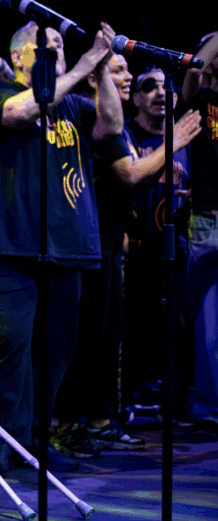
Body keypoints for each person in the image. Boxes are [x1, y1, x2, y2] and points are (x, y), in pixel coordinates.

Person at [0, 21, 122, 474]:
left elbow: (111, 125)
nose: (57, 51)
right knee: (9, 350)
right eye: (46, 46)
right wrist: (88, 62)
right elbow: (21, 112)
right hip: (6, 251)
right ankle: (3, 441)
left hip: (65, 250)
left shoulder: (74, 104)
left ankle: (34, 439)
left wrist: (103, 70)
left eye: (60, 46)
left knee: (55, 353)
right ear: (18, 57)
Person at [54, 55, 201, 457]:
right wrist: (175, 142)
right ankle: (70, 422)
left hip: (109, 241)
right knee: (85, 336)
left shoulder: (109, 124)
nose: (127, 78)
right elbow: (129, 174)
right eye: (118, 72)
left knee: (106, 336)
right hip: (88, 241)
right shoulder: (100, 123)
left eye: (125, 72)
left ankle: (100, 419)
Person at [122, 68, 197, 425]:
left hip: (175, 250)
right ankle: (122, 405)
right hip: (135, 251)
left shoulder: (186, 137)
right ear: (135, 98)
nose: (158, 92)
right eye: (147, 86)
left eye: (164, 86)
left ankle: (174, 405)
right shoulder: (126, 132)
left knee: (181, 331)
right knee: (129, 332)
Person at [182, 32, 218, 436]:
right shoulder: (198, 100)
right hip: (207, 223)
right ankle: (208, 408)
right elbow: (195, 67)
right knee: (209, 330)